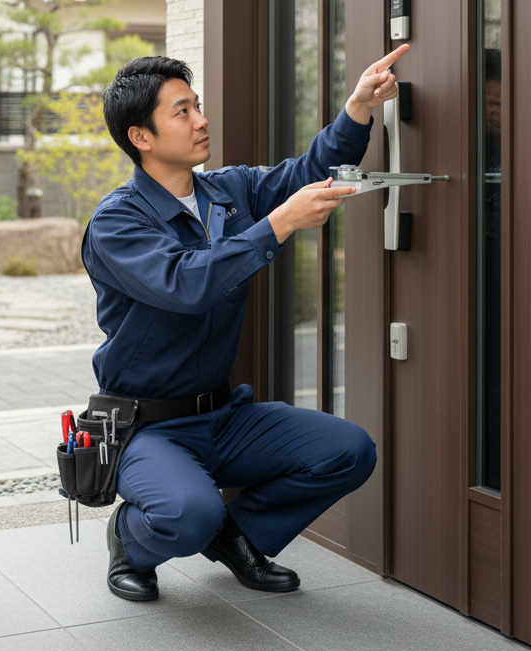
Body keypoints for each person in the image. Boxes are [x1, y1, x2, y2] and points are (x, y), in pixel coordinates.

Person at [84, 48, 409, 600]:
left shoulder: (228, 191)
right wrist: (277, 225)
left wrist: (356, 110)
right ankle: (131, 540)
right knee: (187, 514)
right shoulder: (117, 221)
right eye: (181, 112)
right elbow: (184, 284)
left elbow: (311, 172)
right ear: (141, 136)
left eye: (198, 106)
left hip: (224, 416)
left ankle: (237, 535)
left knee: (349, 449)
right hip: (149, 425)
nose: (201, 120)